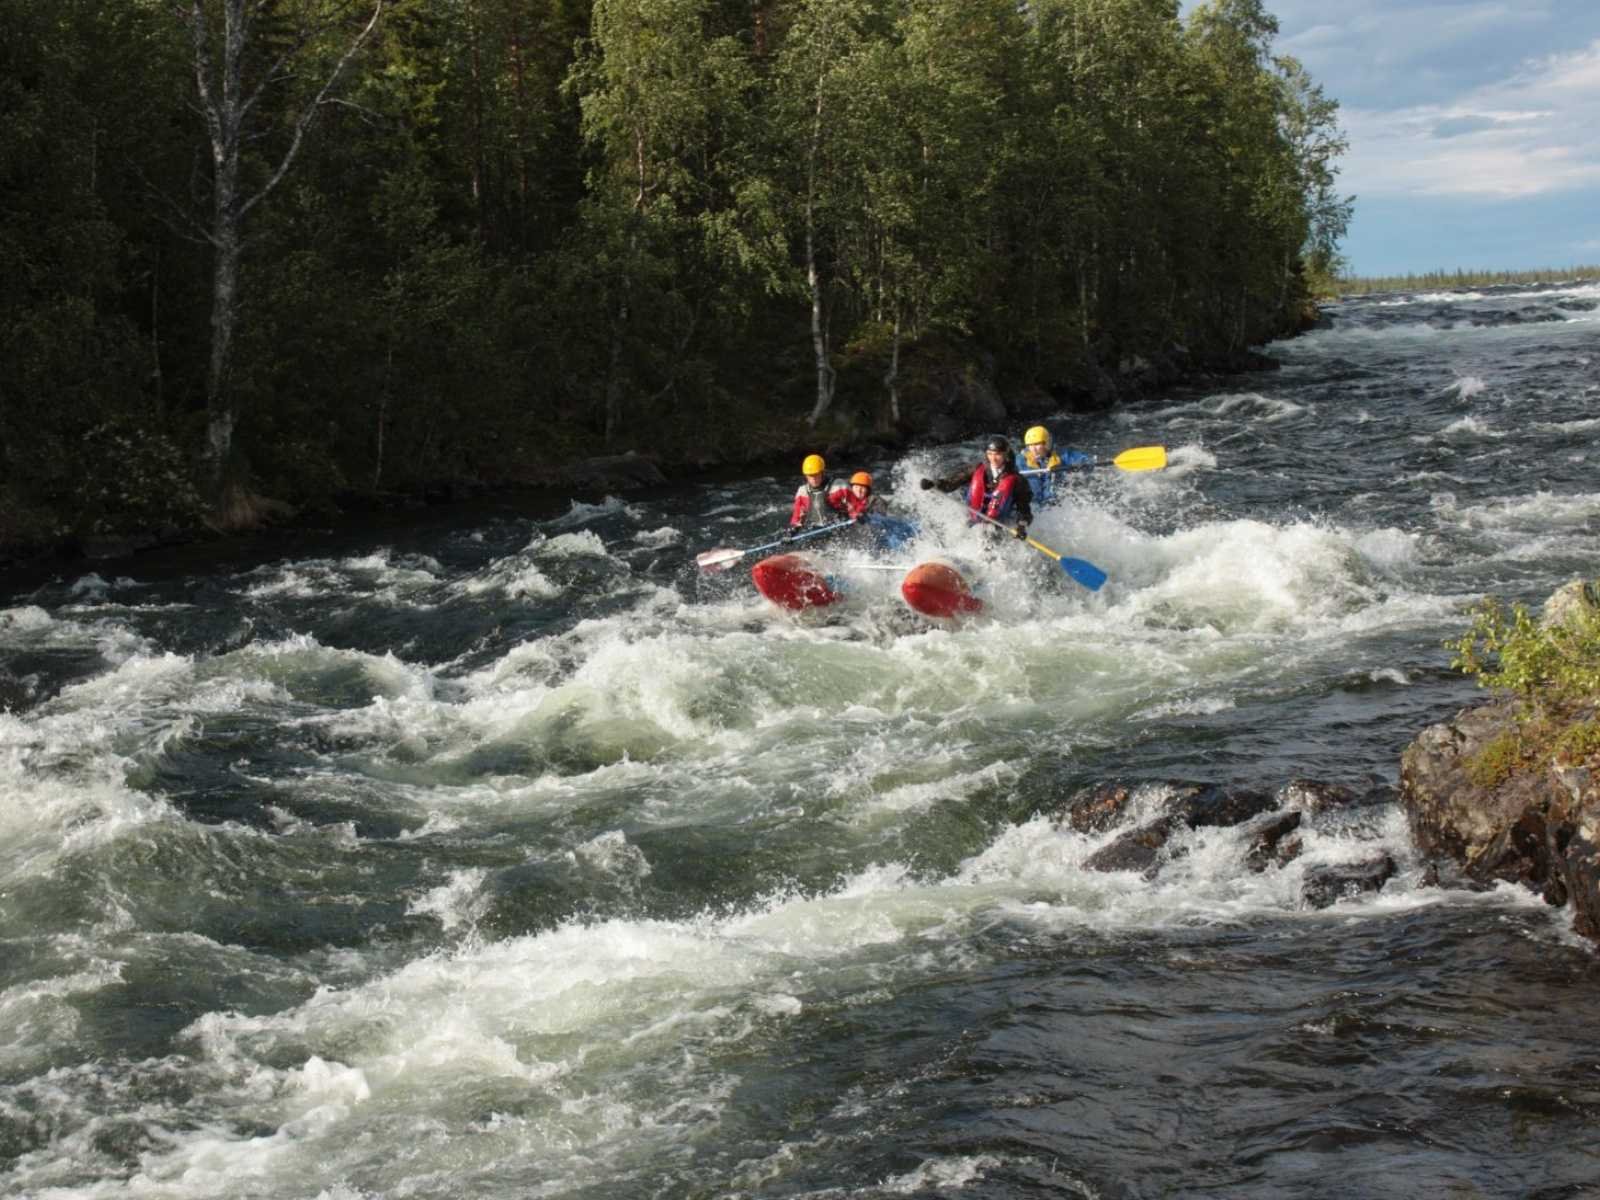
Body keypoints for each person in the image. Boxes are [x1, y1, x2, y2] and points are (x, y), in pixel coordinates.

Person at [920, 436, 1032, 539]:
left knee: (989, 538)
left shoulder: (1018, 480)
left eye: (998, 454)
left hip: (1000, 526)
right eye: (990, 454)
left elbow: (1024, 509)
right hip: (972, 522)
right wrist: (933, 484)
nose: (993, 458)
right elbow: (951, 483)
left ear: (1006, 455)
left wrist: (1021, 526)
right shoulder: (977, 468)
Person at [1018, 425, 1093, 505]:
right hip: (1034, 504)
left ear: (1046, 443)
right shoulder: (1021, 459)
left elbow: (1084, 460)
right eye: (1030, 445)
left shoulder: (1062, 455)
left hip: (1055, 502)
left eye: (1037, 444)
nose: (1033, 449)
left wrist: (1081, 464)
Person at [787, 453, 850, 534]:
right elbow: (797, 517)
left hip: (842, 527)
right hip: (818, 530)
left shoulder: (838, 485)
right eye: (810, 475)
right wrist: (791, 532)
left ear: (822, 472)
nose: (813, 479)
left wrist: (859, 512)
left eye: (816, 474)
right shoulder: (802, 492)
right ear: (806, 476)